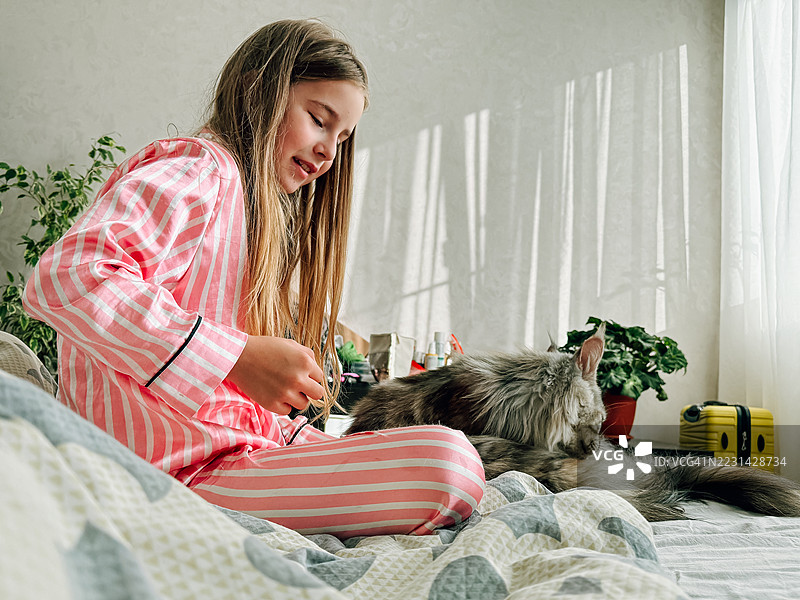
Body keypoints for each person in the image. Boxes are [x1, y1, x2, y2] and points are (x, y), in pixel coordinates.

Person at [23, 19, 484, 538]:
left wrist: (292, 431)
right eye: (318, 119)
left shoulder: (251, 212)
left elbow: (227, 411)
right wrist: (236, 357)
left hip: (226, 460)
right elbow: (68, 278)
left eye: (343, 136)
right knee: (450, 463)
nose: (329, 152)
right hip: (172, 475)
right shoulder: (199, 169)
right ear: (257, 88)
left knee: (454, 453)